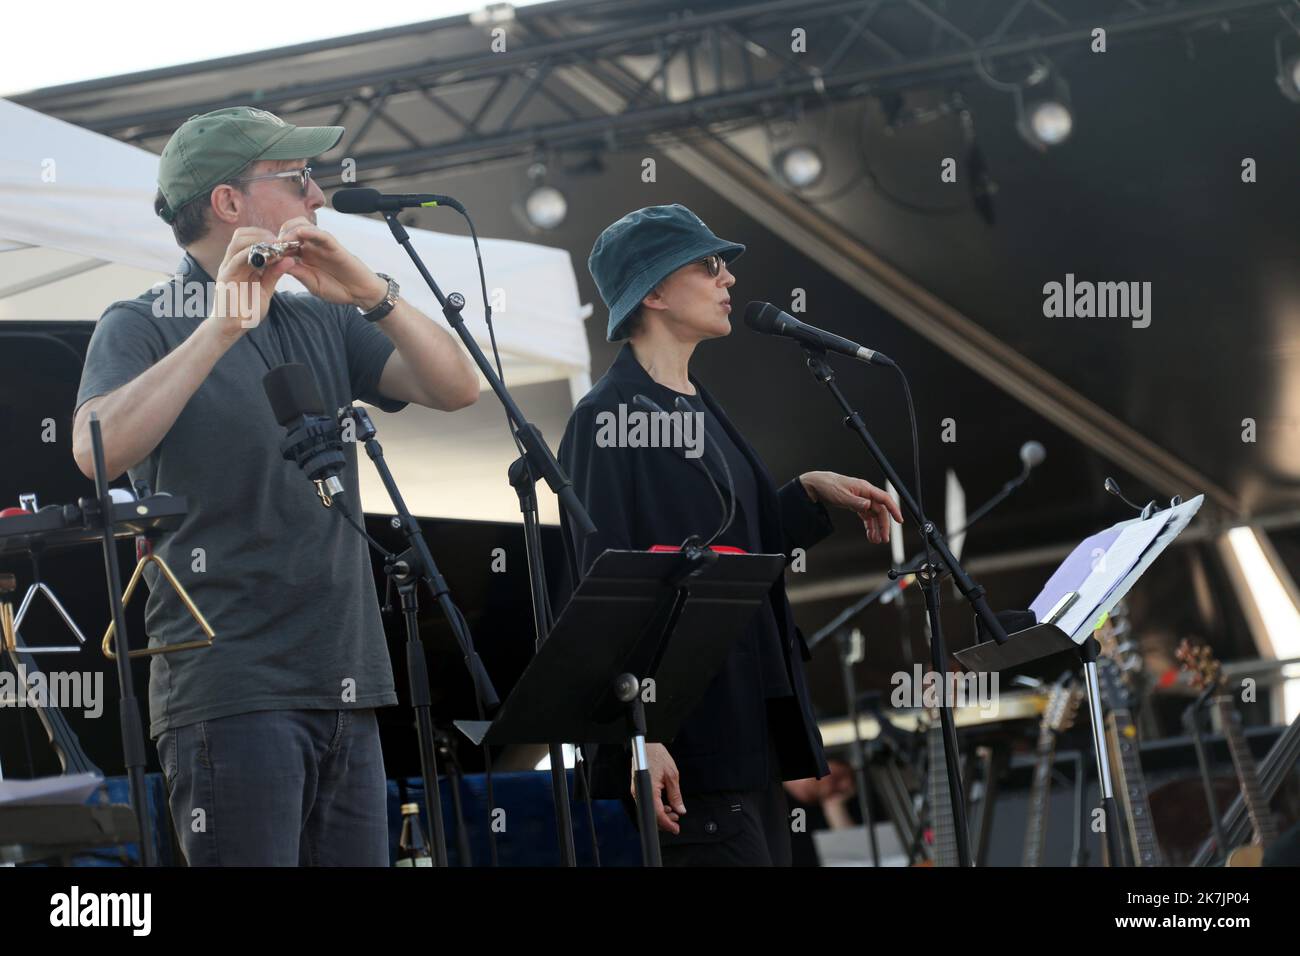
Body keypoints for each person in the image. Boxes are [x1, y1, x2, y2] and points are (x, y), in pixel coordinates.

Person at [71, 106, 480, 866]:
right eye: (297, 180)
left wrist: (373, 293)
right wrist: (221, 326)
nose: (319, 196)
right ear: (229, 203)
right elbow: (99, 451)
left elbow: (459, 388)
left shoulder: (320, 319)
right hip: (231, 686)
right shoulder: (142, 322)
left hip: (347, 678)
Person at [558, 204, 902, 866]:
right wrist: (639, 737)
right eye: (709, 265)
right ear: (654, 292)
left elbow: (726, 548)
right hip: (693, 742)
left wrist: (803, 493)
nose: (730, 281)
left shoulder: (698, 403)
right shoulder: (607, 417)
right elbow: (603, 584)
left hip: (751, 733)